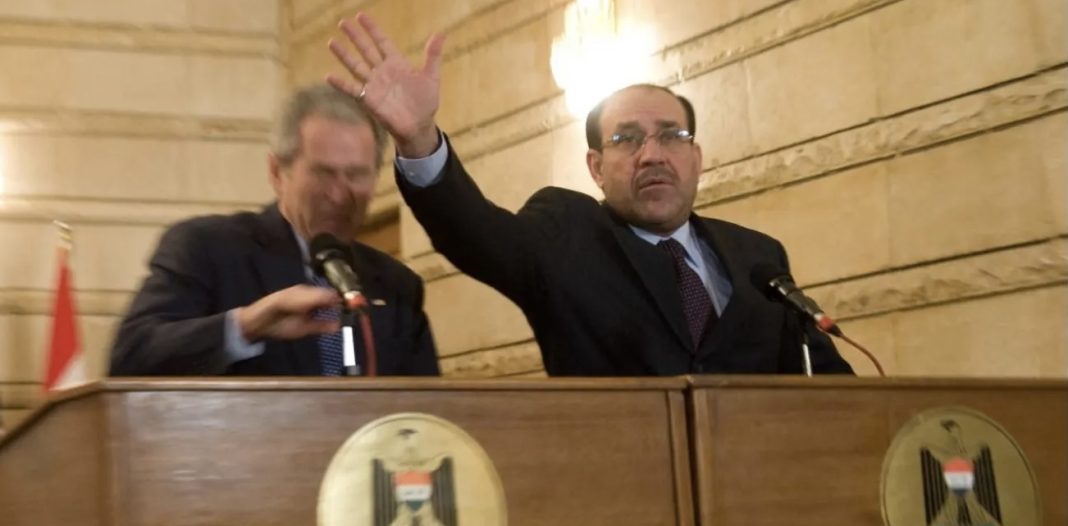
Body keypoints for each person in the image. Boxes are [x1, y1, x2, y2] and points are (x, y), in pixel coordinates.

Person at [326, 14, 852, 376]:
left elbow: (830, 384)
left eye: (671, 136)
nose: (652, 154)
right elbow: (474, 232)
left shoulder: (759, 259)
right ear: (596, 168)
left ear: (696, 158)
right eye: (627, 139)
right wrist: (419, 139)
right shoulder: (566, 234)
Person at [109, 84, 439, 377]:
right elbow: (131, 356)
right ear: (277, 172)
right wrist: (246, 326)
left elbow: (427, 410)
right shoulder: (208, 248)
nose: (339, 194)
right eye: (323, 173)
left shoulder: (397, 286)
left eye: (356, 175)